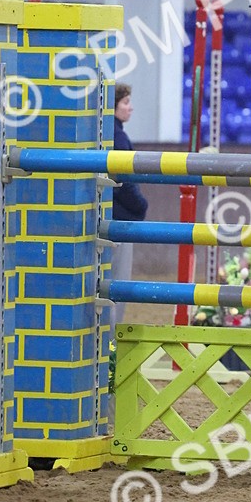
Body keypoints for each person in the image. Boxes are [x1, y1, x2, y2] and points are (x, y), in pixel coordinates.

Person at [110, 84, 148, 324]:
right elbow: (125, 183)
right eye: (125, 102)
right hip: (121, 218)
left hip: (113, 215)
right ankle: (110, 337)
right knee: (117, 280)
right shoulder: (119, 137)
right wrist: (140, 206)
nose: (130, 108)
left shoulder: (110, 134)